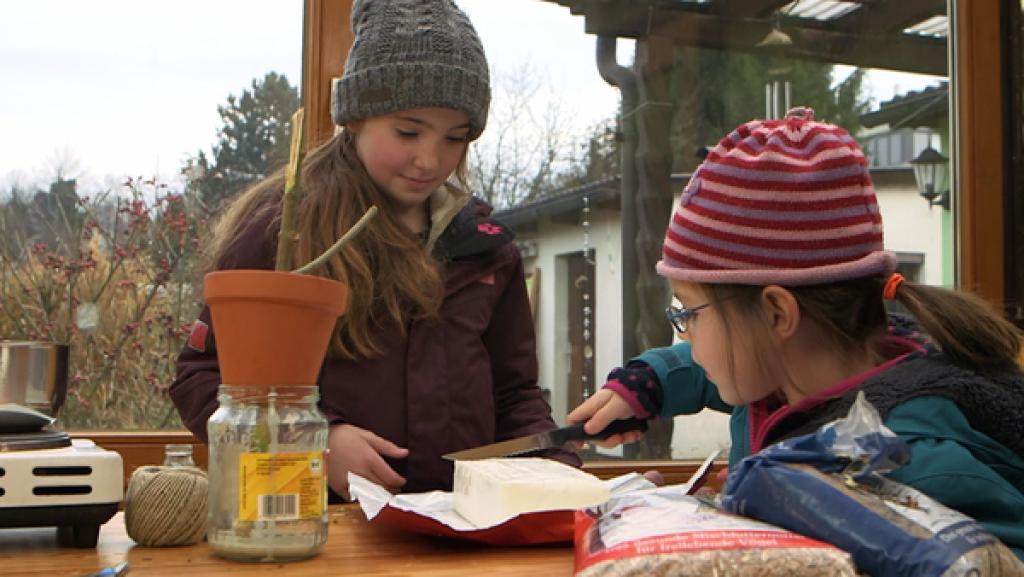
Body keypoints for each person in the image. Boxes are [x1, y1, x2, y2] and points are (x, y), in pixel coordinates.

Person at [568, 107, 1024, 559]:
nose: (686, 335)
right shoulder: (787, 378)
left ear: (776, 314)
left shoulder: (909, 464)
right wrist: (653, 381)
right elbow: (716, 366)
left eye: (690, 312)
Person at [171, 0, 568, 498]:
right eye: (408, 131)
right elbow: (204, 379)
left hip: (461, 534)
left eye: (455, 138)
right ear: (356, 115)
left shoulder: (486, 249)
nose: (430, 159)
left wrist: (559, 474)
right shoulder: (283, 230)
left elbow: (516, 397)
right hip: (318, 527)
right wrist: (315, 442)